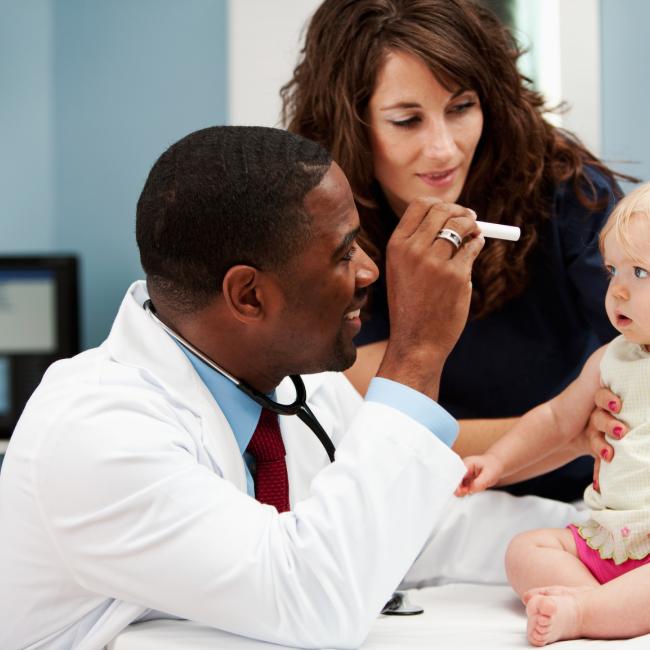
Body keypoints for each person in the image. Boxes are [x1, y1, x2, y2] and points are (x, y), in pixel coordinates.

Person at [0, 126, 583, 650]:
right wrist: (417, 352)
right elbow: (312, 600)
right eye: (342, 252)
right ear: (248, 295)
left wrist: (607, 541)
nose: (369, 272)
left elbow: (424, 530)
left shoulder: (296, 385)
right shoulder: (93, 433)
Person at [281, 0, 633, 501]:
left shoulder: (564, 192)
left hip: (584, 496)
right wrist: (565, 432)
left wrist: (574, 436)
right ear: (351, 124)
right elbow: (381, 434)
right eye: (407, 120)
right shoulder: (325, 236)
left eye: (461, 107)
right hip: (420, 504)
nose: (444, 149)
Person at [457, 183, 650, 646]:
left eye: (640, 272)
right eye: (612, 270)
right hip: (605, 535)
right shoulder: (608, 360)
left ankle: (586, 612)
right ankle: (603, 605)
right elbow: (555, 420)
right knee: (526, 550)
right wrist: (498, 461)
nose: (618, 290)